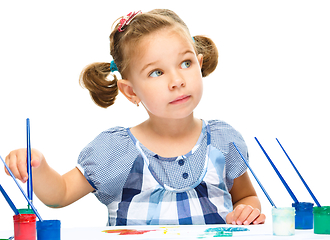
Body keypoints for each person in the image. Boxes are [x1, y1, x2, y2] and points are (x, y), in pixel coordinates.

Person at [4, 9, 265, 226]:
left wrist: (247, 210)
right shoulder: (117, 150)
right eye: (156, 72)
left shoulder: (222, 140)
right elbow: (59, 194)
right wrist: (36, 167)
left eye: (185, 63)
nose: (177, 81)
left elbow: (245, 197)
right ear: (130, 91)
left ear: (199, 63)